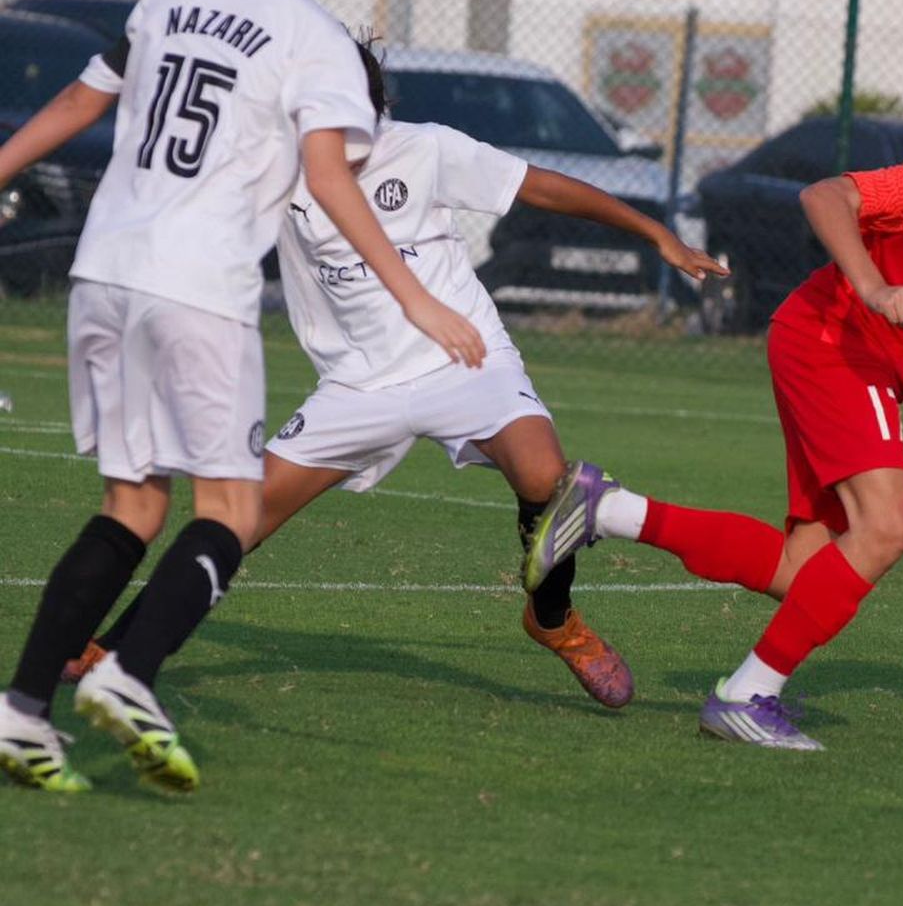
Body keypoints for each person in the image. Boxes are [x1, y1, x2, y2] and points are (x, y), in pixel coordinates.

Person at [61, 39, 728, 707]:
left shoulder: (424, 147)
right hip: (357, 384)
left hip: (465, 360)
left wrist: (654, 233)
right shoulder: (280, 163)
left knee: (546, 477)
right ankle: (116, 647)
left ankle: (554, 621)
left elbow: (541, 186)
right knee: (239, 517)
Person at [0, 0, 487, 794]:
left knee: (133, 505)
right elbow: (330, 174)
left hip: (105, 267)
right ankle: (126, 675)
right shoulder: (315, 37)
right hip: (199, 283)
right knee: (231, 510)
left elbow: (80, 97)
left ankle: (24, 711)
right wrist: (414, 294)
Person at [518, 36, 903, 751]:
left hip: (855, 361)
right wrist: (871, 284)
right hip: (835, 340)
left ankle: (607, 507)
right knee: (890, 525)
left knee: (802, 570)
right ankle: (747, 694)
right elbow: (826, 194)